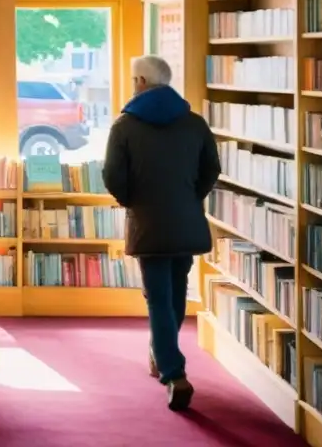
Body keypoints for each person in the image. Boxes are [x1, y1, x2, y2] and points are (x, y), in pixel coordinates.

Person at [102, 55, 220, 412]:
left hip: (148, 222)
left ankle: (173, 370)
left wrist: (132, 201)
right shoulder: (195, 122)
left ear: (140, 80)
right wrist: (188, 197)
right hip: (185, 220)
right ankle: (161, 354)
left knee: (157, 297)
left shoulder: (124, 126)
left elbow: (112, 175)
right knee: (175, 290)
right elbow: (211, 169)